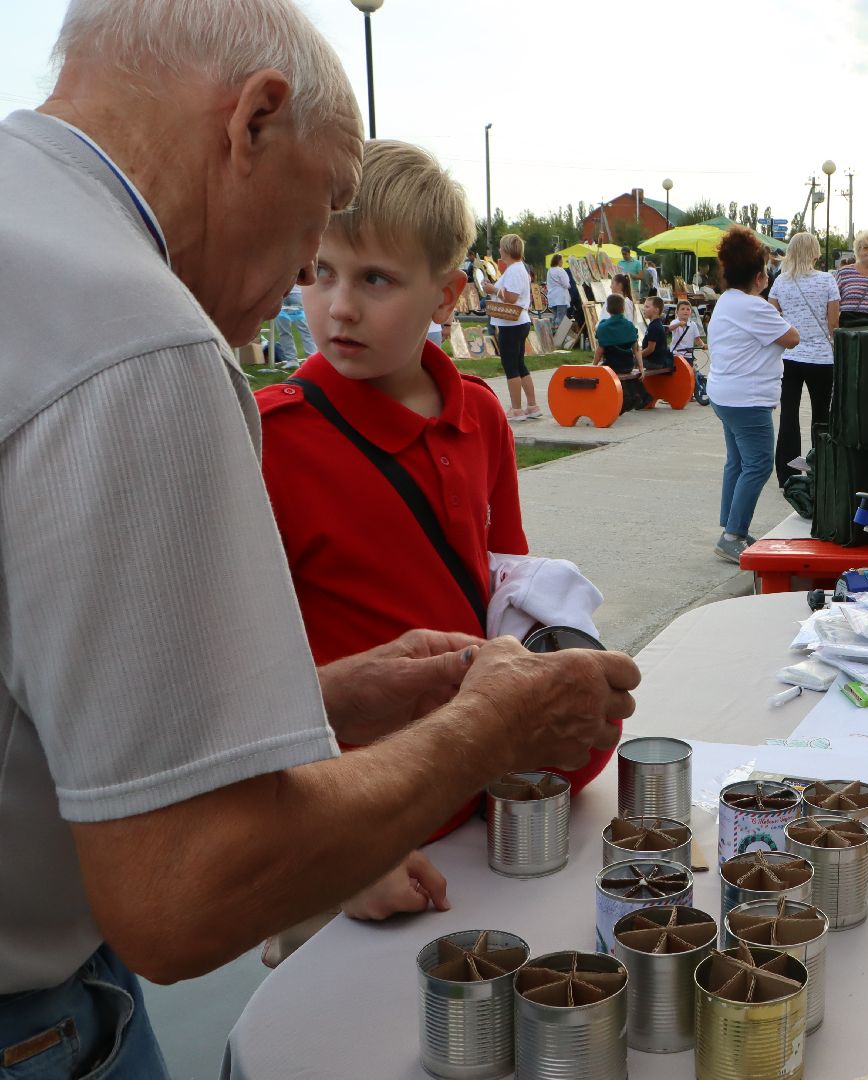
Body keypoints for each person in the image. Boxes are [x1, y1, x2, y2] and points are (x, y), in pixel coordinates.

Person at [0, 2, 637, 1074]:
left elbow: (59, 707)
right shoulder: (141, 340)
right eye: (324, 214)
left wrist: (329, 697)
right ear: (255, 120)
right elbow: (184, 890)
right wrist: (489, 727)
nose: (313, 283)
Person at [258, 139, 621, 935]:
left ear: (448, 293)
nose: (338, 306)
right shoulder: (272, 439)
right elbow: (250, 682)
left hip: (481, 799)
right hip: (352, 834)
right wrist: (335, 859)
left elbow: (506, 588)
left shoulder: (482, 415)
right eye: (319, 271)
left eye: (375, 279)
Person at [707, 226, 799, 562]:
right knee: (759, 464)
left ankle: (732, 527)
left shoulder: (726, 302)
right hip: (748, 399)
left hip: (725, 395)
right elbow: (792, 338)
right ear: (760, 277)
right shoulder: (755, 308)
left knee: (737, 462)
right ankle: (732, 535)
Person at [768, 230, 840, 487]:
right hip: (821, 358)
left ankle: (787, 473)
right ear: (815, 252)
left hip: (789, 357)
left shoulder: (780, 282)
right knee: (821, 416)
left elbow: (772, 319)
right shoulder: (828, 280)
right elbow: (833, 324)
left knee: (789, 414)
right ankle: (821, 468)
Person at [488, 232, 539, 421]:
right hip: (519, 321)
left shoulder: (515, 270)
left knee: (510, 365)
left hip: (512, 322)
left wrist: (493, 290)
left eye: (501, 247)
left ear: (507, 250)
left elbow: (511, 297)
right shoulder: (518, 269)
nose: (499, 251)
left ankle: (516, 408)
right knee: (519, 363)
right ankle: (532, 405)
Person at [594, 293, 650, 413]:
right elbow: (636, 349)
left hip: (611, 365)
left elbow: (600, 350)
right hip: (627, 365)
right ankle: (636, 395)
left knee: (600, 375)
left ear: (608, 309)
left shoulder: (603, 326)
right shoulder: (629, 326)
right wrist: (641, 367)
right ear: (623, 309)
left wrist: (593, 366)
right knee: (625, 376)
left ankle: (614, 401)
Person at [669, 298, 709, 405]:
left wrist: (702, 345)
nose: (685, 311)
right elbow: (670, 328)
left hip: (688, 353)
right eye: (682, 309)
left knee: (690, 373)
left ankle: (690, 393)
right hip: (677, 354)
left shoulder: (693, 325)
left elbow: (697, 338)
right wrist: (678, 324)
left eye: (688, 309)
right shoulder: (675, 322)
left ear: (691, 312)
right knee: (680, 375)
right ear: (677, 312)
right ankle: (676, 393)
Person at [274, 283, 313, 366]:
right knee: (284, 331)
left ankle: (310, 359)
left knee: (304, 330)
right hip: (281, 295)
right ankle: (292, 360)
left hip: (294, 294)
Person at [639, 294, 674, 373]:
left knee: (627, 362)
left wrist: (637, 356)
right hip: (656, 361)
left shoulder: (654, 327)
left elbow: (650, 349)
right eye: (644, 306)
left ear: (656, 310)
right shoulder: (656, 324)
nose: (644, 309)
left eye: (647, 307)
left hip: (653, 362)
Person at [546, 252, 571, 330]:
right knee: (561, 316)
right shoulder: (561, 270)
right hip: (561, 297)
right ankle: (558, 332)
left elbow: (548, 284)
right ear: (559, 261)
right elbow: (566, 284)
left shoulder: (549, 271)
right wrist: (569, 286)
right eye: (561, 260)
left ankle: (552, 331)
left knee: (555, 314)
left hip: (552, 296)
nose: (562, 262)